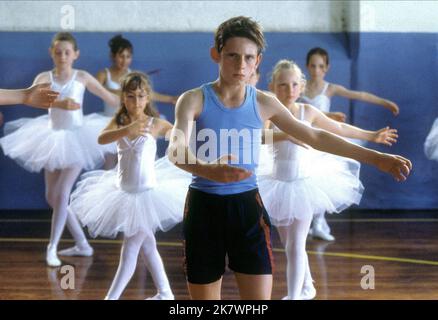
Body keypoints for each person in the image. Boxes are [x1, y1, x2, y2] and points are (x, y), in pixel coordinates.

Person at [167, 16, 411, 300]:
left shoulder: (264, 102)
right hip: (203, 208)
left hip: (247, 207)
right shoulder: (193, 99)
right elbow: (175, 149)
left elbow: (315, 136)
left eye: (248, 57)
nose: (240, 65)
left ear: (258, 61)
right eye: (232, 56)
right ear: (216, 55)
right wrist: (208, 170)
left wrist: (376, 158)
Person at [258, 59, 398, 300]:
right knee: (288, 242)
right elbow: (259, 136)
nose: (289, 90)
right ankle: (307, 287)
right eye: (282, 85)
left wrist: (371, 135)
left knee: (295, 244)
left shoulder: (307, 112)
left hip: (303, 183)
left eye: (293, 84)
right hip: (277, 183)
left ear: (301, 87)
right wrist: (287, 136)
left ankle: (293, 296)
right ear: (272, 86)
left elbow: (338, 129)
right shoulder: (268, 110)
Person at [0, 32, 120, 267]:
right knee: (51, 197)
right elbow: (32, 97)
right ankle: (82, 244)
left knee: (63, 193)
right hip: (51, 138)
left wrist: (129, 95)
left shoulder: (82, 77)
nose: (62, 56)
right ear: (51, 53)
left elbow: (111, 98)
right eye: (58, 52)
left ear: (75, 54)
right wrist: (59, 103)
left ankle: (51, 247)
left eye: (67, 52)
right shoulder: (44, 77)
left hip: (78, 138)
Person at [69, 72, 190, 300]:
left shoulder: (155, 124)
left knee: (132, 247)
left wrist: (184, 129)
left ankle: (111, 298)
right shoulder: (120, 122)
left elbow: (179, 135)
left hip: (147, 195)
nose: (136, 101)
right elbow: (102, 139)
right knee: (148, 246)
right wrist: (127, 130)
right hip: (123, 192)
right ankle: (165, 293)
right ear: (123, 98)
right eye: (131, 96)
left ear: (148, 98)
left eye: (141, 96)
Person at [302, 47, 400, 241]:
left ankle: (319, 223)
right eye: (312, 65)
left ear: (326, 68)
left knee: (322, 179)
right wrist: (328, 115)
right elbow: (293, 108)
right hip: (304, 138)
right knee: (305, 180)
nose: (316, 70)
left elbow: (360, 95)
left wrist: (385, 103)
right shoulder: (299, 86)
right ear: (307, 66)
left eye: (320, 66)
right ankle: (308, 224)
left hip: (325, 139)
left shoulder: (329, 88)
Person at [96, 34, 179, 169]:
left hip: (135, 119)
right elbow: (96, 89)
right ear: (112, 56)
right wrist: (119, 92)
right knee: (110, 164)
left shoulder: (133, 76)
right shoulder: (104, 74)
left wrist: (170, 99)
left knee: (138, 157)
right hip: (112, 119)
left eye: (128, 56)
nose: (124, 60)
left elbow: (148, 94)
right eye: (120, 56)